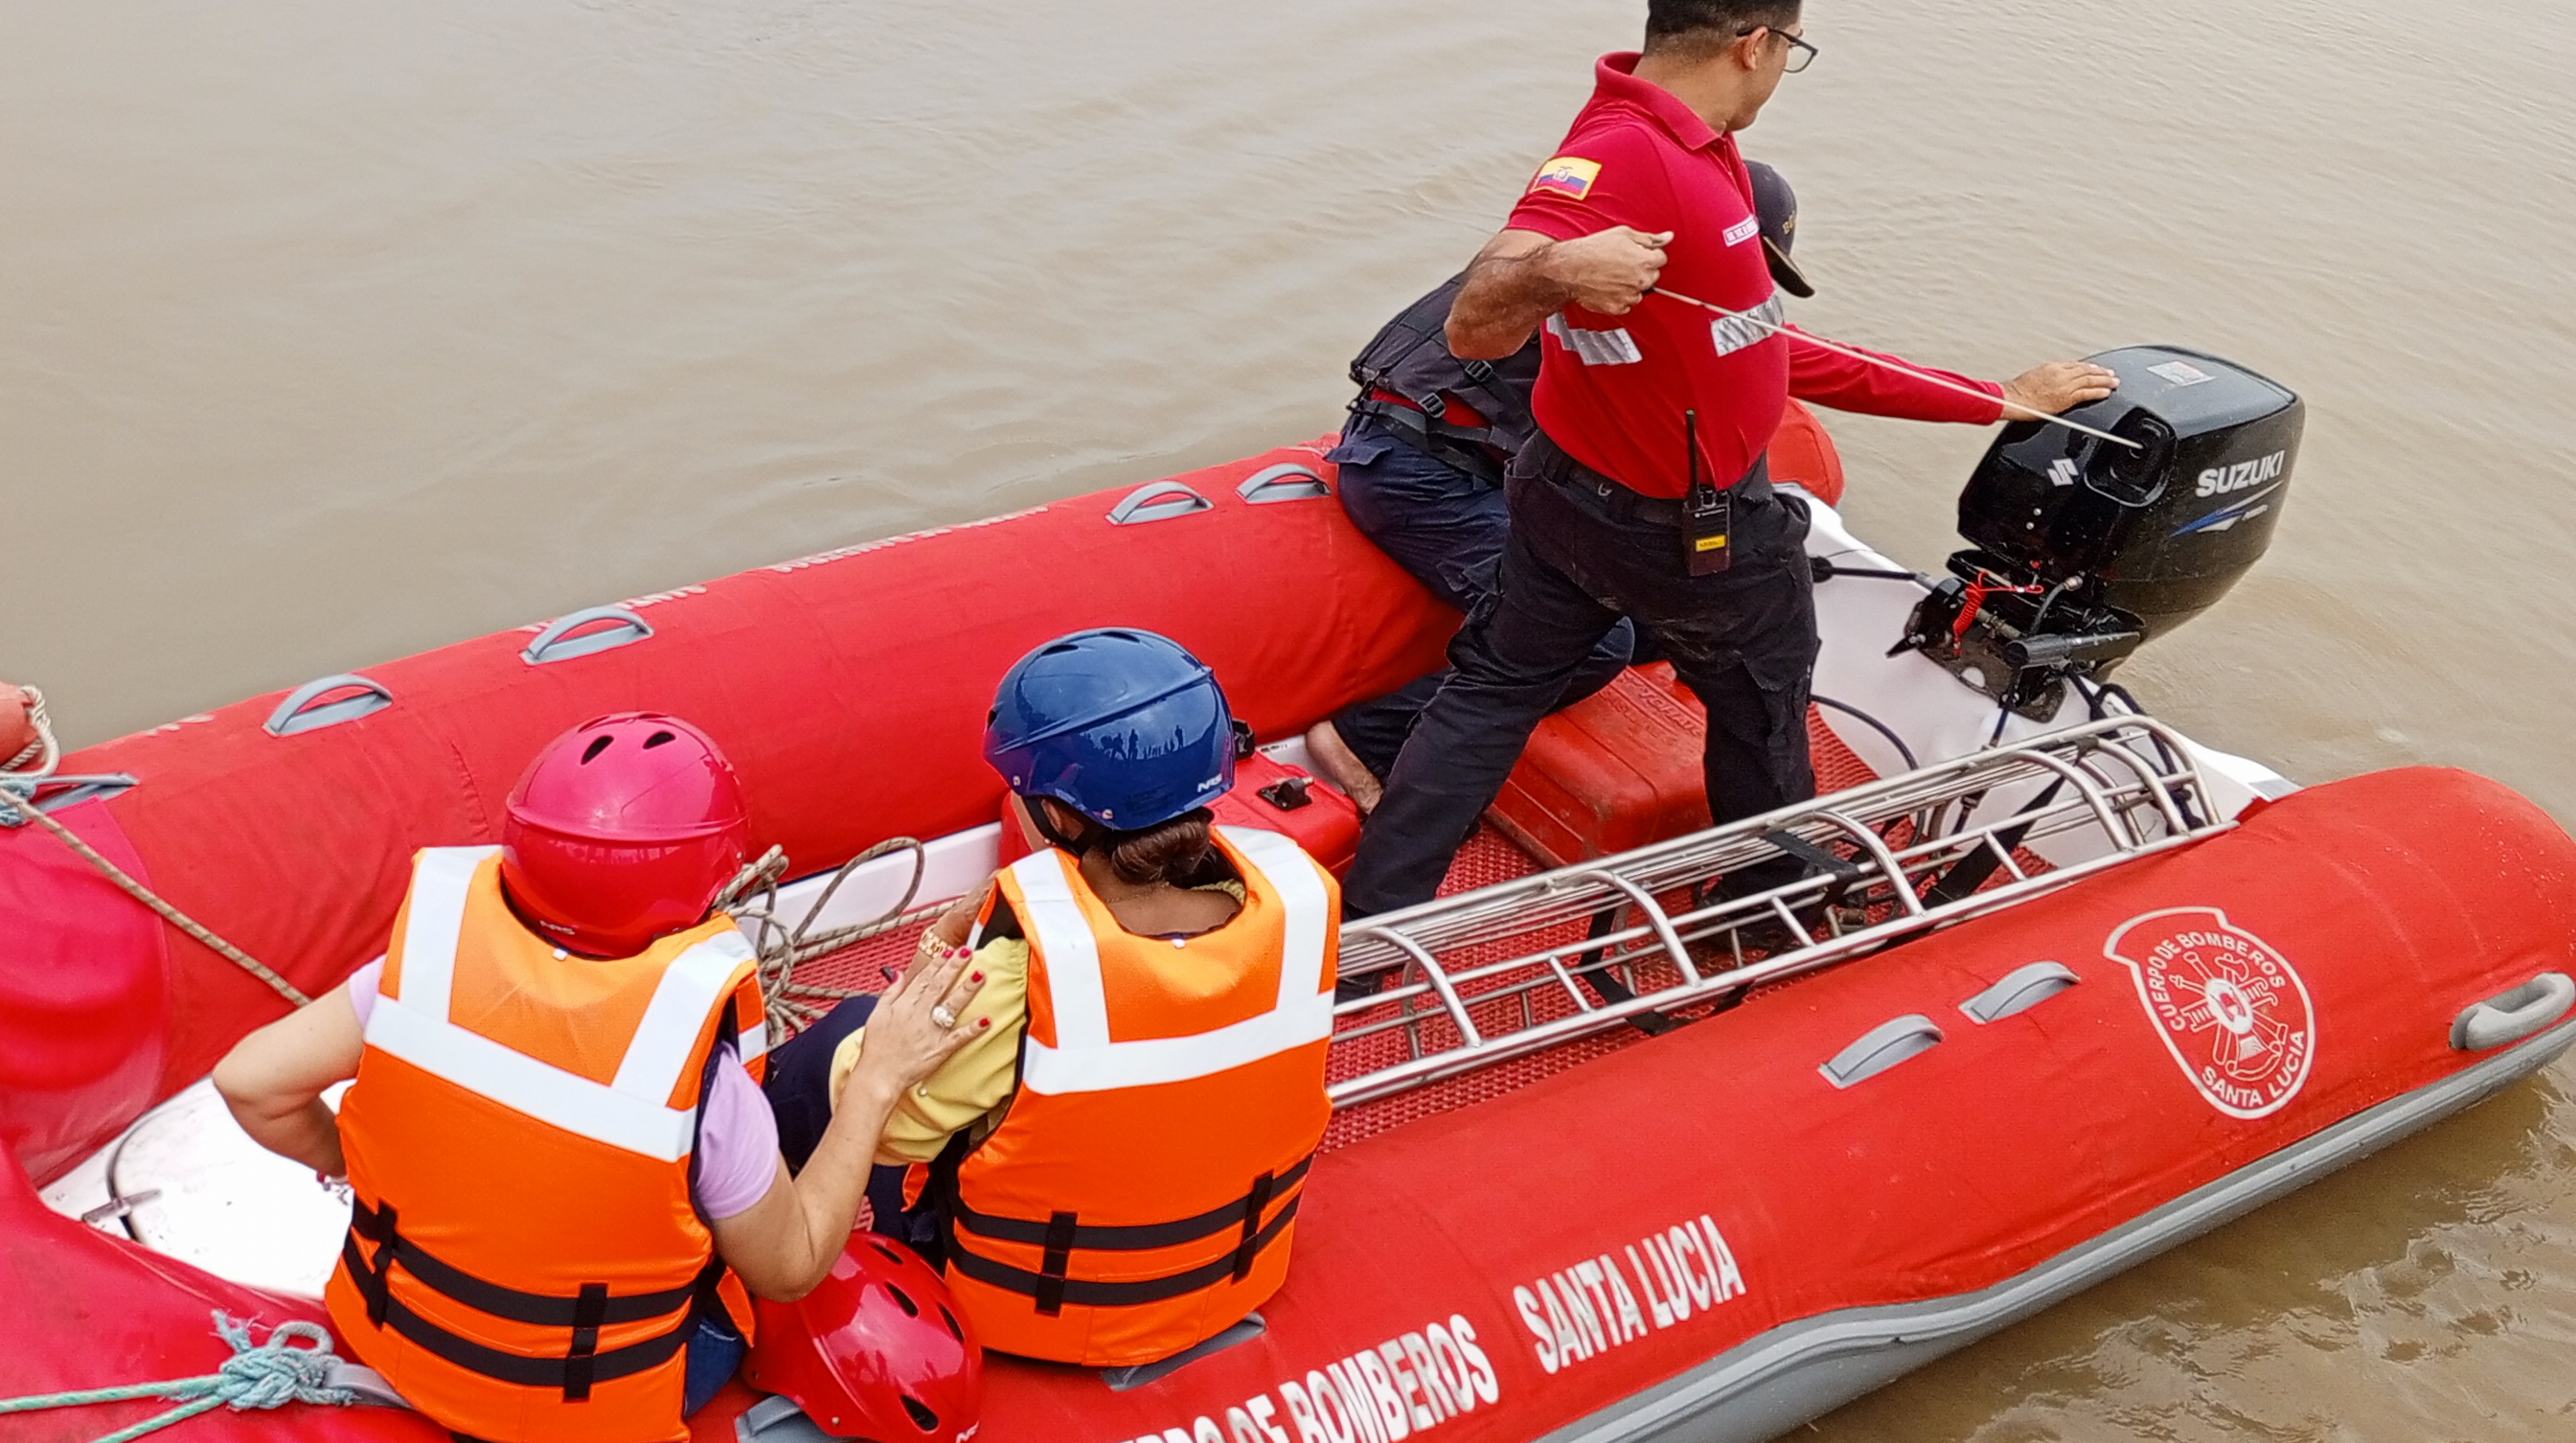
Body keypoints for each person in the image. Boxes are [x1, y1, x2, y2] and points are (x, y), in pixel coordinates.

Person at [1337, 0, 2120, 920]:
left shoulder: (1693, 143)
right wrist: (1561, 269)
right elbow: (1477, 316)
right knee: (1762, 709)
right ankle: (1771, 899)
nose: (1786, 68)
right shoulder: (1623, 154)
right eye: (1794, 47)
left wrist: (1989, 398)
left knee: (1493, 689)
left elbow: (1771, 348)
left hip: (1563, 495)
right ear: (1757, 42)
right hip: (1686, 529)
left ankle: (1372, 916)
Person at [212, 713, 975, 1443]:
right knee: (802, 1112)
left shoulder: (420, 973)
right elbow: (790, 1268)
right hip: (587, 1397)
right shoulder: (704, 1081)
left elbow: (251, 1083)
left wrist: (365, 1165)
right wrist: (876, 1079)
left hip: (394, 1336)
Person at [764, 629, 1341, 1369]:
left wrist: (936, 953)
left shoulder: (1023, 978)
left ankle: (754, 1211)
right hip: (1229, 1266)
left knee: (849, 1040)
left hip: (1043, 1306)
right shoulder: (1302, 904)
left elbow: (880, 1128)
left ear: (1061, 818)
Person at [1303, 158, 1823, 809]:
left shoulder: (1583, 253)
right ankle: (1363, 739)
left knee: (1641, 602)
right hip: (1422, 472)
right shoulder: (1624, 294)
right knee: (1598, 643)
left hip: (1433, 446)